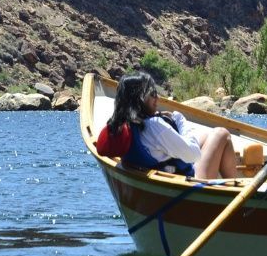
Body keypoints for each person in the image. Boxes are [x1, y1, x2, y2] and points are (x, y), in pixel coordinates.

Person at [96, 71, 238, 179]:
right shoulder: (154, 126)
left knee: (206, 136)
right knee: (221, 133)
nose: (157, 98)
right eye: (153, 93)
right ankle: (233, 192)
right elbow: (194, 155)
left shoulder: (123, 123)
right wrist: (180, 120)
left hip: (153, 177)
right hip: (187, 189)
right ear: (141, 98)